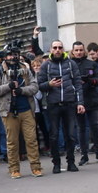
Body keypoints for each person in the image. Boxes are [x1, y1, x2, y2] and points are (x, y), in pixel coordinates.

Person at [36, 40, 85, 173]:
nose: (57, 50)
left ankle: (71, 162)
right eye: (55, 48)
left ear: (63, 49)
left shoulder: (70, 63)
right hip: (53, 104)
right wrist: (49, 85)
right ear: (51, 49)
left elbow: (78, 84)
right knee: (54, 135)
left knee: (70, 135)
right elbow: (39, 85)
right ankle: (56, 163)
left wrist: (80, 103)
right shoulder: (46, 65)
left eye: (60, 47)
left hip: (69, 103)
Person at [0, 48, 40, 178]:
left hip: (26, 109)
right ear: (4, 57)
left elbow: (35, 87)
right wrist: (9, 86)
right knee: (12, 142)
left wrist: (22, 90)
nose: (12, 57)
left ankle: (36, 167)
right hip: (8, 111)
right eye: (9, 55)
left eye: (14, 55)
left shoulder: (25, 68)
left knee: (31, 140)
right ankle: (14, 169)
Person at [71, 41, 98, 165]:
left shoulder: (91, 64)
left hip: (91, 99)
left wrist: (90, 81)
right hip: (77, 101)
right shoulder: (70, 64)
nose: (79, 52)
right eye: (76, 50)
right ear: (73, 51)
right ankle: (84, 155)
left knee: (95, 127)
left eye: (81, 50)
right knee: (81, 129)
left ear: (84, 51)